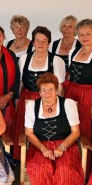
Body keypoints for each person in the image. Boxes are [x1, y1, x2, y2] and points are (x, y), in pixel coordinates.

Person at [25, 72, 82, 185]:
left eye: (50, 89)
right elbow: (29, 133)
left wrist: (61, 147)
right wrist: (43, 148)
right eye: (44, 90)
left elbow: (76, 132)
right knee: (41, 169)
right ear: (39, 91)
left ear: (56, 89)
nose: (47, 93)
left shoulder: (68, 104)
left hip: (65, 145)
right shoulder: (32, 105)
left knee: (65, 170)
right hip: (40, 145)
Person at [12, 26, 65, 161]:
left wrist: (58, 106)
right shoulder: (24, 59)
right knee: (26, 131)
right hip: (27, 99)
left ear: (48, 43)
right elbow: (21, 83)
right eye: (38, 41)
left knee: (42, 131)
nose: (41, 44)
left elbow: (59, 87)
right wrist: (18, 102)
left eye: (44, 41)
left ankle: (43, 157)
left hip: (48, 100)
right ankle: (23, 159)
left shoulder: (56, 60)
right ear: (33, 42)